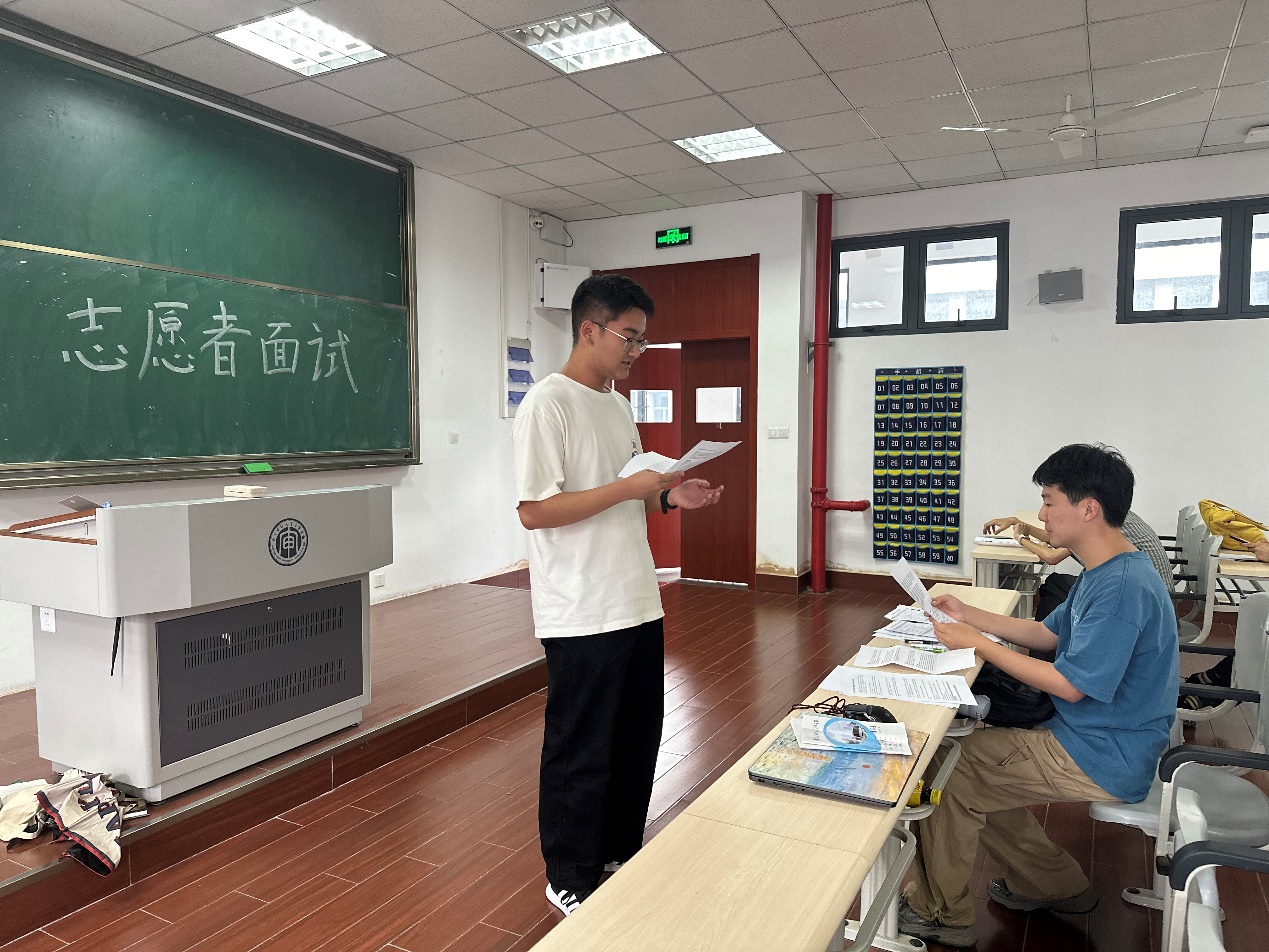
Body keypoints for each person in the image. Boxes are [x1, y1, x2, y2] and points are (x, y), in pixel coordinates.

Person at [898, 444, 1178, 948]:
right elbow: (1046, 634)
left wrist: (977, 643)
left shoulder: (1121, 588)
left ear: (1088, 508)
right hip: (1095, 736)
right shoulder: (1107, 570)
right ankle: (1053, 885)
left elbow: (1071, 684)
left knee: (947, 773)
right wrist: (967, 614)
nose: (1041, 515)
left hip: (1104, 752)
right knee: (965, 766)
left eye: (1049, 502)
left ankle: (941, 914)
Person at [512, 273, 724, 917]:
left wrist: (669, 496)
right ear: (589, 329)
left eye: (642, 339)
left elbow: (625, 493)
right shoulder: (548, 403)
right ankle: (568, 872)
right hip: (581, 606)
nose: (637, 350)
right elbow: (535, 510)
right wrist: (632, 489)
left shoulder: (617, 404)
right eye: (629, 337)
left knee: (635, 737)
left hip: (636, 598)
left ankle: (618, 851)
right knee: (581, 745)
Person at [984, 509, 1173, 621]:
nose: (1043, 514)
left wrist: (1021, 538)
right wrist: (1018, 523)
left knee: (1053, 593)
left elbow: (1052, 556)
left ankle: (1048, 657)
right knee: (1054, 584)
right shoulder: (1113, 513)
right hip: (1148, 592)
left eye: (1050, 503)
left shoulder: (1099, 522)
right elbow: (1055, 539)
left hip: (1145, 602)